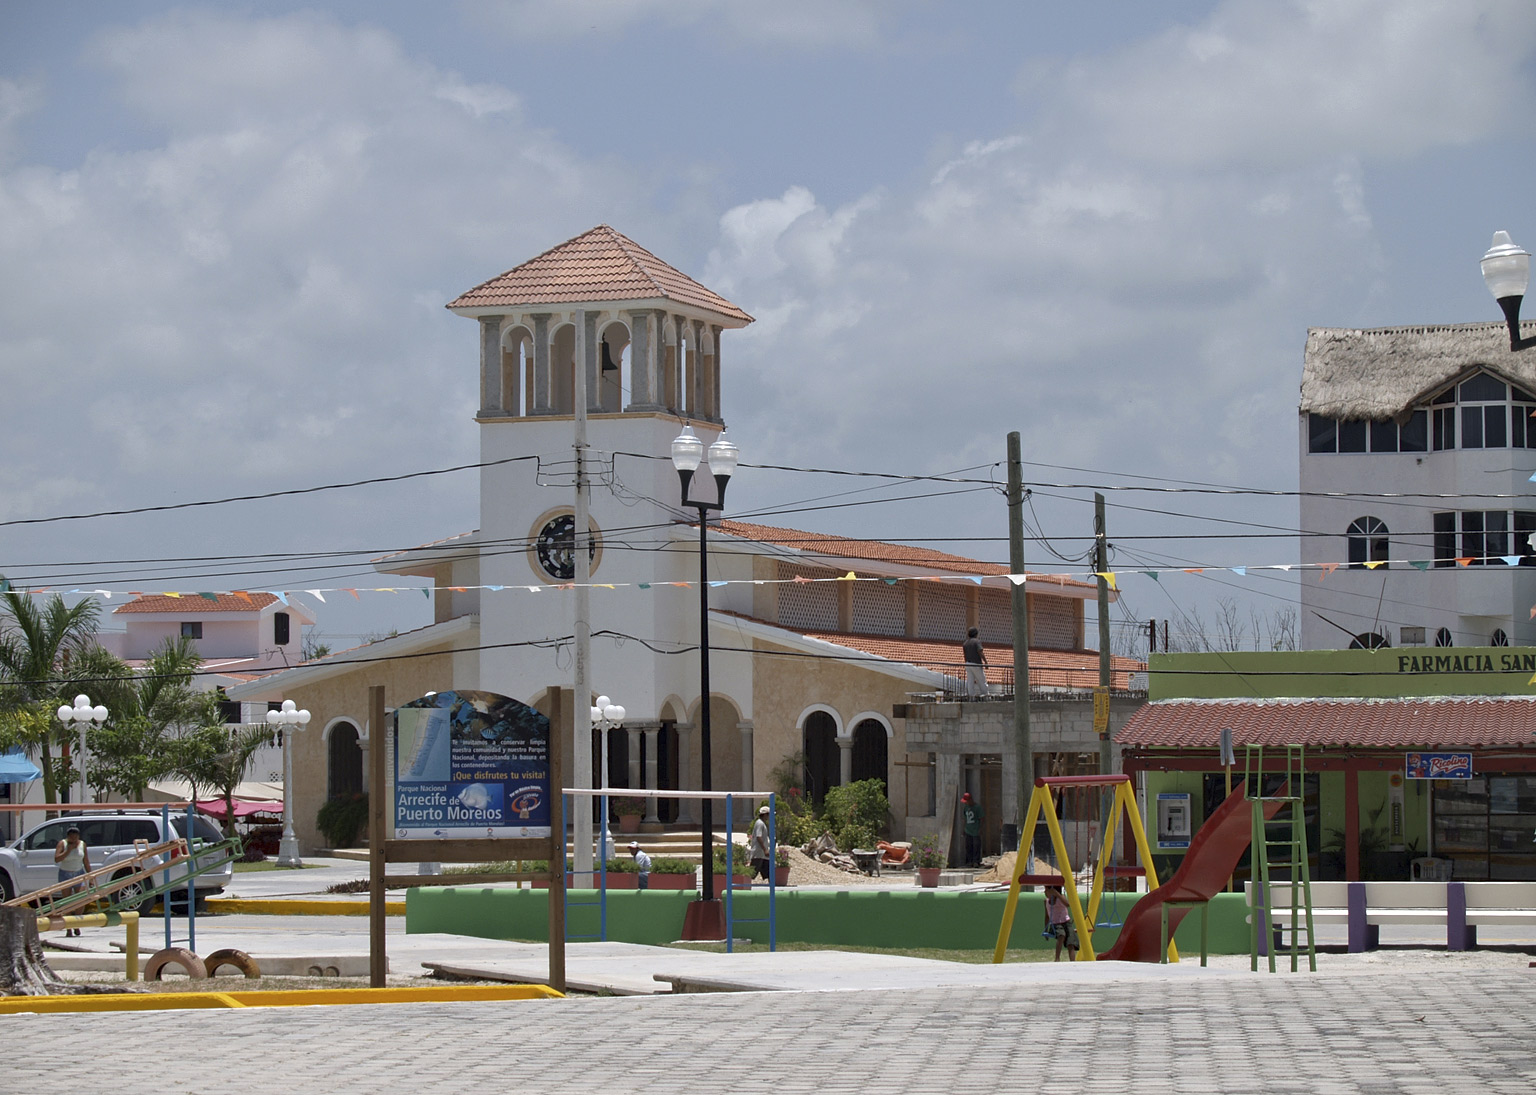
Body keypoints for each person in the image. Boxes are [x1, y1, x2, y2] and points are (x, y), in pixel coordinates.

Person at [54, 825, 91, 936]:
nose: (74, 839)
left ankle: (76, 924)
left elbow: (86, 861)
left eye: (76, 836)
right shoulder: (62, 844)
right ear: (68, 836)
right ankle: (68, 927)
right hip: (65, 873)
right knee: (67, 901)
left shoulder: (82, 844)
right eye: (71, 836)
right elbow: (56, 859)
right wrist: (68, 850)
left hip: (79, 873)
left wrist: (91, 876)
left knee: (80, 899)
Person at [1044, 885, 1079, 962]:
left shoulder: (1061, 898)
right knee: (1061, 935)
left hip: (1066, 922)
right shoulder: (1046, 901)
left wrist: (1057, 895)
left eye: (1046, 890)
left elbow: (1067, 904)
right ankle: (1057, 958)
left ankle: (1073, 961)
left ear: (1053, 891)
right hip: (1055, 924)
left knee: (1070, 942)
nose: (1044, 892)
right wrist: (1046, 929)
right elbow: (1047, 916)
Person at [748, 804, 772, 881]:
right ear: (765, 814)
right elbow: (759, 836)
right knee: (753, 871)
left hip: (762, 854)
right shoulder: (760, 823)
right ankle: (744, 883)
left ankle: (772, 887)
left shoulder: (762, 823)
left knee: (768, 870)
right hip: (758, 852)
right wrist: (765, 849)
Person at [962, 627, 986, 699]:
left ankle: (971, 696)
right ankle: (985, 695)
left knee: (970, 681)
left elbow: (964, 654)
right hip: (976, 663)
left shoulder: (965, 643)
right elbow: (980, 651)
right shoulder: (976, 641)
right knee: (981, 680)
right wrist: (985, 662)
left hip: (967, 663)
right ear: (976, 634)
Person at [960, 792, 983, 867]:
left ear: (970, 800)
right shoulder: (966, 808)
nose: (966, 803)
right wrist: (963, 828)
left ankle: (976, 861)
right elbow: (965, 819)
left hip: (975, 830)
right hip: (968, 830)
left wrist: (980, 828)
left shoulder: (977, 807)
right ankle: (969, 861)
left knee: (976, 846)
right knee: (968, 846)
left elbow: (981, 819)